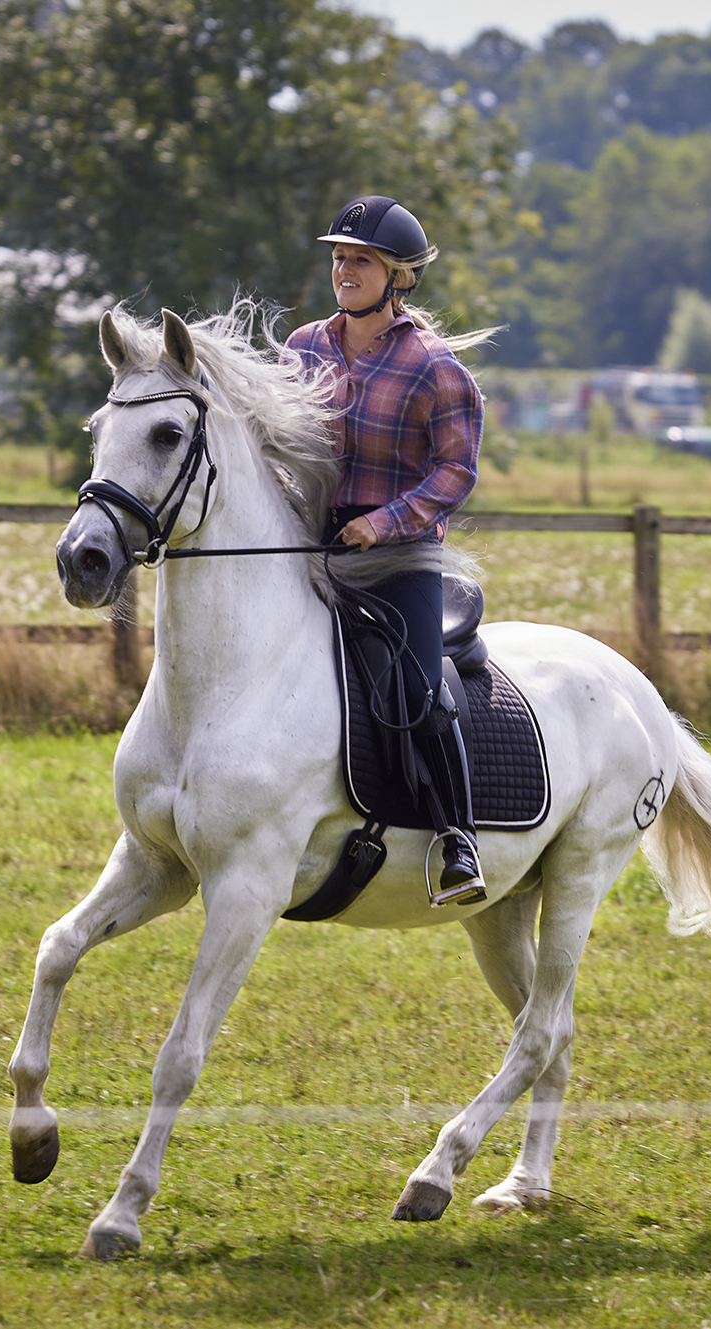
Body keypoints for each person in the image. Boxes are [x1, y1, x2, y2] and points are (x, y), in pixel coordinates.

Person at [285, 195, 492, 907]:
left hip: (399, 556)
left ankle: (457, 839)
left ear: (398, 277)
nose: (344, 270)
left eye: (361, 261)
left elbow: (457, 472)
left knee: (418, 687)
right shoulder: (303, 347)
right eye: (339, 258)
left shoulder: (434, 367)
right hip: (311, 543)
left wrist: (384, 521)